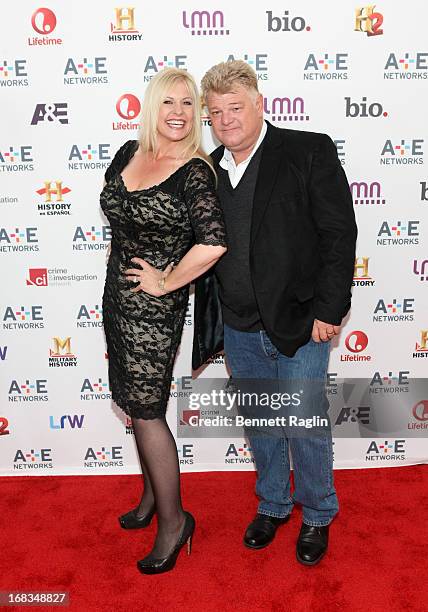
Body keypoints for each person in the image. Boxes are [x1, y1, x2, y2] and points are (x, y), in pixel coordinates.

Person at [193, 60, 357, 565]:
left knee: (305, 423)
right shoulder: (209, 170)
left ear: (260, 103)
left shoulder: (308, 150)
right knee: (261, 423)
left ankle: (317, 514)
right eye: (216, 113)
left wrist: (330, 308)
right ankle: (273, 504)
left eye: (236, 108)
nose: (227, 120)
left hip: (304, 321)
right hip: (240, 327)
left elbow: (338, 234)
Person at [100, 67, 227, 575]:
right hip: (116, 298)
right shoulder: (128, 155)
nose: (178, 113)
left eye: (187, 104)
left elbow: (214, 241)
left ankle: (175, 523)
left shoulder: (194, 170)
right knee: (132, 400)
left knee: (148, 410)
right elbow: (120, 217)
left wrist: (166, 281)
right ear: (151, 108)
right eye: (168, 102)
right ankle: (152, 496)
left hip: (154, 310)